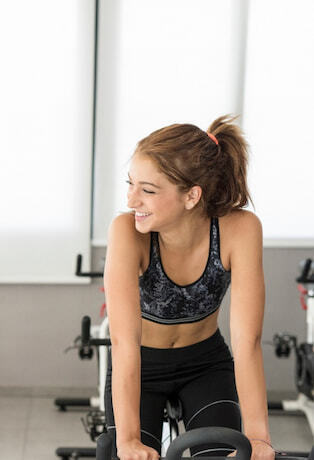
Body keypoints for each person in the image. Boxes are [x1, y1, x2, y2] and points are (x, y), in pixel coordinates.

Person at [104, 115, 274, 460]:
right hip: (141, 364)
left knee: (228, 452)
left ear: (191, 196)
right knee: (118, 452)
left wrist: (258, 438)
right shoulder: (126, 231)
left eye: (147, 190)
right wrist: (128, 442)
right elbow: (123, 343)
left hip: (205, 364)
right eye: (131, 183)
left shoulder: (239, 229)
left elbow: (247, 341)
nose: (131, 199)